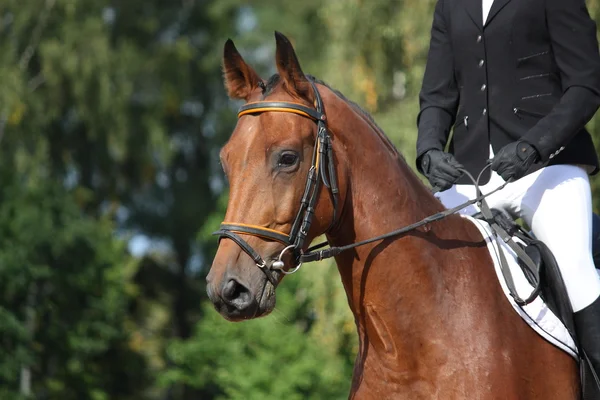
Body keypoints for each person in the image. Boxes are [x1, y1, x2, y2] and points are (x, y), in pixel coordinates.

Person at [416, 0, 600, 378]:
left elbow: (585, 85)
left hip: (548, 168)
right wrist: (429, 152)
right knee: (418, 263)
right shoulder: (450, 6)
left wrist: (535, 146)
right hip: (469, 177)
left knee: (575, 273)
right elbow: (437, 96)